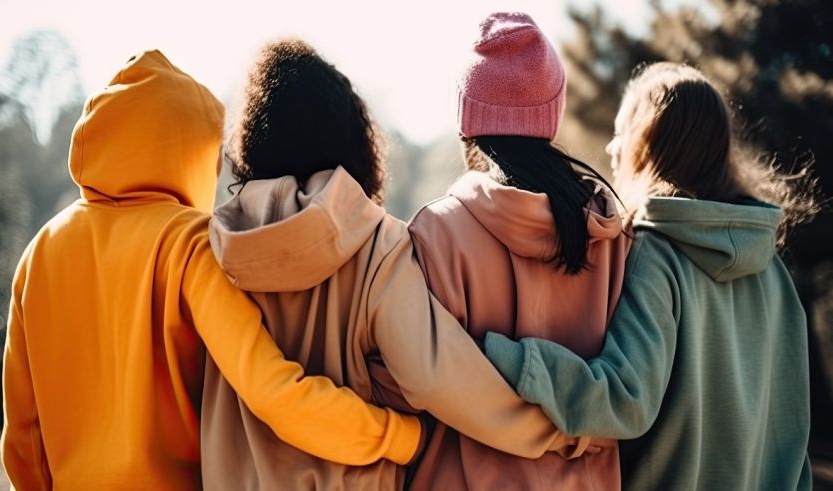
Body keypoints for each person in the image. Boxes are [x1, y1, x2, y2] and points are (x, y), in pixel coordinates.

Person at [0, 50, 425, 490]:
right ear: (194, 152)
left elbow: (23, 435)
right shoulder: (190, 242)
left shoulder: (39, 252)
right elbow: (273, 394)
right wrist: (403, 436)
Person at [200, 38, 584, 490]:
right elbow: (444, 380)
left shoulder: (212, 251)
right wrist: (564, 432)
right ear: (351, 135)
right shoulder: (377, 245)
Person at [483, 62, 816, 490]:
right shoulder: (773, 269)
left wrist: (504, 356)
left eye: (622, 132)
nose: (611, 147)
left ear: (647, 146)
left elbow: (625, 399)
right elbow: (795, 433)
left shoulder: (655, 252)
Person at [407, 12, 631, 490]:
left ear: (467, 119)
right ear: (551, 113)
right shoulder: (614, 235)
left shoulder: (435, 232)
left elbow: (405, 383)